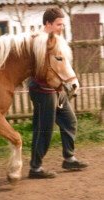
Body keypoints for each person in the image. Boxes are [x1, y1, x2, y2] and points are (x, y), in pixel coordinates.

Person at [28, 7, 88, 179]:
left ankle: (69, 158)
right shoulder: (39, 41)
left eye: (62, 24)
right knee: (44, 129)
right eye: (58, 24)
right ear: (48, 24)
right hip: (42, 90)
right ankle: (36, 168)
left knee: (69, 121)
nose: (61, 27)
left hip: (57, 89)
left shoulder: (56, 40)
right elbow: (39, 68)